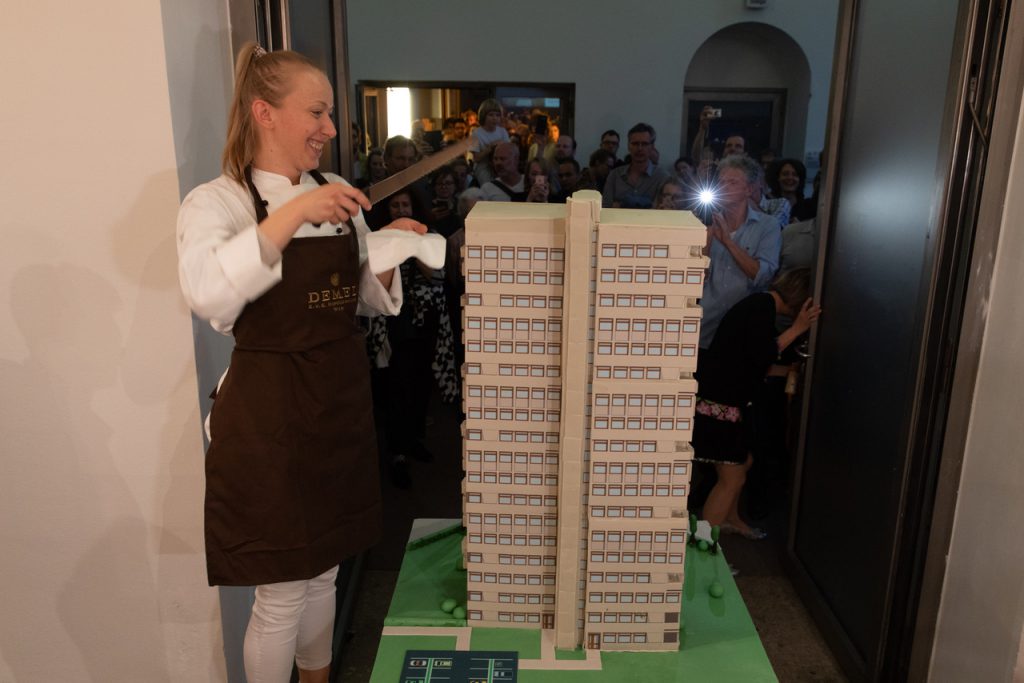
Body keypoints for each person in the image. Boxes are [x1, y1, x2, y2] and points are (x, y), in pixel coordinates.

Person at [176, 44, 435, 683]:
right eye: (316, 112)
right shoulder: (218, 202)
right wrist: (292, 214)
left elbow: (359, 298)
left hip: (335, 400)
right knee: (283, 587)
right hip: (268, 415)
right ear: (265, 113)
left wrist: (392, 251)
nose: (328, 128)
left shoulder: (331, 192)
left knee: (325, 568)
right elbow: (208, 294)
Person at [693, 269, 821, 538]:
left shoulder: (759, 305)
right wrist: (798, 328)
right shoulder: (761, 308)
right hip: (721, 405)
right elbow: (763, 352)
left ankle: (730, 519)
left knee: (744, 463)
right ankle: (703, 544)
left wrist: (787, 371)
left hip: (720, 401)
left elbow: (751, 359)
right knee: (733, 477)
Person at [698, 154, 781, 348]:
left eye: (732, 182)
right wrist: (708, 239)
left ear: (749, 189)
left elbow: (762, 275)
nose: (723, 187)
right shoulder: (707, 223)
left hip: (746, 329)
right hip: (706, 327)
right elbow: (697, 278)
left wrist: (728, 241)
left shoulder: (768, 226)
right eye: (721, 182)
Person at [601, 122, 668, 208]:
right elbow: (606, 208)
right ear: (629, 146)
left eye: (644, 144)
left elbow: (661, 210)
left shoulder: (662, 177)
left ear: (652, 147)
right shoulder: (615, 175)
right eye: (635, 144)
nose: (639, 148)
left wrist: (620, 205)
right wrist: (648, 205)